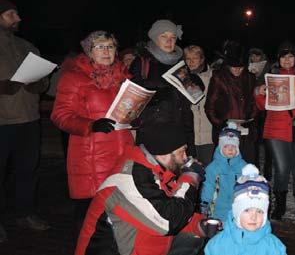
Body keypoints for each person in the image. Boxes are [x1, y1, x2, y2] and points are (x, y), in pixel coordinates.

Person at [74, 125, 215, 255]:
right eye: (182, 152)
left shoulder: (159, 172)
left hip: (144, 245)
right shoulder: (129, 180)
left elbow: (169, 207)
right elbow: (168, 221)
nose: (185, 158)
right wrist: (190, 178)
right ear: (164, 153)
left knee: (193, 239)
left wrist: (199, 225)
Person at [51, 30, 135, 235]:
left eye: (111, 46)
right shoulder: (74, 78)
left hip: (123, 151)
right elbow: (60, 115)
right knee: (92, 219)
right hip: (92, 155)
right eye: (100, 46)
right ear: (89, 51)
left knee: (122, 214)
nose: (106, 51)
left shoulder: (124, 77)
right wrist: (90, 125)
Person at [0, 0, 50, 241]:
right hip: (1, 121)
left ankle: (25, 213)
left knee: (27, 171)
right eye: (11, 14)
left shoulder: (27, 46)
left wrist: (40, 84)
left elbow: (43, 80)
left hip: (29, 120)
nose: (18, 19)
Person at [254, 41, 295, 223]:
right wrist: (259, 93)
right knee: (281, 170)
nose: (287, 60)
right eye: (283, 56)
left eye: (290, 56)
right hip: (276, 130)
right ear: (278, 59)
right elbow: (261, 106)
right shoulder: (271, 77)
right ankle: (280, 207)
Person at [129, 19, 195, 155]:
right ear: (154, 38)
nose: (169, 41)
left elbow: (186, 103)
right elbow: (133, 98)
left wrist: (195, 87)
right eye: (164, 36)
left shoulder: (180, 64)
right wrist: (161, 92)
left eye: (173, 37)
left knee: (180, 175)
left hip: (179, 130)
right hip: (153, 132)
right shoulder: (143, 62)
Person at [204, 164, 287, 255]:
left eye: (259, 211)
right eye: (247, 210)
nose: (254, 217)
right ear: (236, 213)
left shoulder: (273, 247)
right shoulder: (218, 245)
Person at [205, 40, 258, 165]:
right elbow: (209, 106)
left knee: (246, 166)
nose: (237, 70)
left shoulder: (250, 77)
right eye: (234, 67)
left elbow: (254, 101)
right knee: (226, 168)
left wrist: (251, 119)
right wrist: (221, 124)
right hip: (225, 132)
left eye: (240, 67)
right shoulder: (218, 77)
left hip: (245, 132)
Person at [201, 123, 247, 222]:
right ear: (220, 148)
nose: (230, 149)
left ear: (237, 149)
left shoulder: (243, 167)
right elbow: (208, 185)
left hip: (237, 208)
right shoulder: (213, 168)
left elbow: (249, 183)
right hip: (218, 209)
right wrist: (205, 202)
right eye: (226, 146)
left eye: (233, 147)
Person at [184, 45, 215, 165]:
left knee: (208, 170)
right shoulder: (182, 78)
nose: (191, 62)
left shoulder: (213, 77)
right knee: (191, 172)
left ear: (202, 59)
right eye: (188, 58)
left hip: (208, 132)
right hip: (189, 135)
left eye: (195, 58)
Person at [247, 47, 272, 179]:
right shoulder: (247, 68)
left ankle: (268, 170)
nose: (254, 58)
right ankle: (255, 167)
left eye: (257, 56)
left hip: (267, 108)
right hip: (253, 109)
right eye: (252, 56)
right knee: (254, 140)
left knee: (268, 141)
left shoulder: (269, 68)